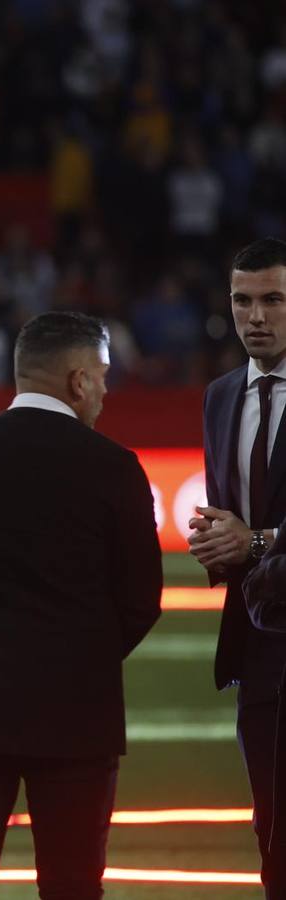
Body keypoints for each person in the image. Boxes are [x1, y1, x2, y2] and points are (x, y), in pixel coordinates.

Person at [0, 311, 163, 899]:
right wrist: (86, 655)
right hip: (78, 712)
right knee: (73, 885)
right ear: (76, 381)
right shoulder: (115, 467)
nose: (104, 389)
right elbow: (140, 600)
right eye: (100, 375)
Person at [196, 237, 286, 898]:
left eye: (274, 300)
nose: (256, 315)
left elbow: (253, 534)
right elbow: (227, 513)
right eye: (243, 300)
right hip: (257, 639)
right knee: (271, 825)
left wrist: (255, 542)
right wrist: (216, 544)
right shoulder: (221, 395)